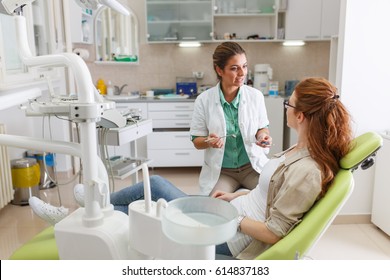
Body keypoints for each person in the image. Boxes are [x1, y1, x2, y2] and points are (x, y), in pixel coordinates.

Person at [29, 77, 353, 259]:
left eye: (289, 103)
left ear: (301, 116)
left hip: (230, 236)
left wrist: (236, 216)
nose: (286, 107)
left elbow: (274, 232)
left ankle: (78, 217)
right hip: (232, 213)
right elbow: (269, 194)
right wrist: (241, 194)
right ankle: (88, 206)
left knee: (146, 215)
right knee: (154, 186)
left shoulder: (309, 170)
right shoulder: (301, 149)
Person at [190, 41, 272, 195]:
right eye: (234, 68)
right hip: (223, 171)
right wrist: (209, 141)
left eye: (245, 66)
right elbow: (197, 141)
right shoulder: (203, 100)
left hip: (251, 168)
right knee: (215, 207)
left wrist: (263, 135)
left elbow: (263, 127)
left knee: (270, 198)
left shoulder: (255, 96)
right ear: (219, 70)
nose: (242, 73)